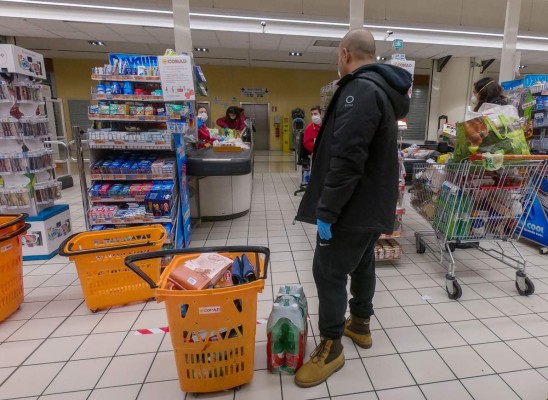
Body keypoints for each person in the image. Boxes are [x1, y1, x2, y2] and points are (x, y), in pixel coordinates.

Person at [294, 28, 412, 388]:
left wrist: (327, 212)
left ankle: (331, 347)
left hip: (352, 207)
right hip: (371, 205)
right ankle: (360, 323)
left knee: (328, 272)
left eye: (336, 56)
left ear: (345, 53)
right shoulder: (382, 90)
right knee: (361, 261)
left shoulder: (360, 90)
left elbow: (347, 160)